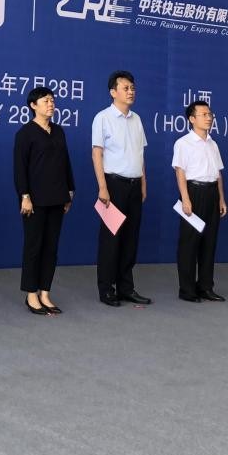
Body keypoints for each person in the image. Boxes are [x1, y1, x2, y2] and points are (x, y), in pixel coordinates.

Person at [92, 70, 151, 307]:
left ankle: (126, 287)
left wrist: (143, 183)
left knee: (130, 239)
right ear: (113, 92)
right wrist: (102, 187)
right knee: (111, 239)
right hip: (113, 185)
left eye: (132, 88)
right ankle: (107, 289)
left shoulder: (137, 120)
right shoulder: (103, 118)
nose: (131, 92)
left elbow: (140, 154)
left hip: (135, 186)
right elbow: (97, 154)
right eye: (125, 88)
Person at [13, 86, 74, 315]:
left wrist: (70, 190)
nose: (51, 104)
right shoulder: (25, 133)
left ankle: (45, 292)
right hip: (35, 200)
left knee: (51, 248)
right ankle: (31, 294)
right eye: (46, 100)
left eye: (52, 100)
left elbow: (65, 162)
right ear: (33, 105)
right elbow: (20, 169)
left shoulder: (58, 131)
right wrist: (24, 196)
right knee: (34, 247)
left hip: (57, 197)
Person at [172, 100, 226, 303]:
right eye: (204, 114)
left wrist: (221, 199)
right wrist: (186, 199)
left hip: (212, 193)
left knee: (209, 243)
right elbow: (180, 172)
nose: (209, 117)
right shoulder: (183, 143)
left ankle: (205, 287)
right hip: (193, 193)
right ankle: (187, 289)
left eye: (210, 114)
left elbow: (218, 174)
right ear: (192, 119)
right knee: (189, 243)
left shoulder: (213, 143)